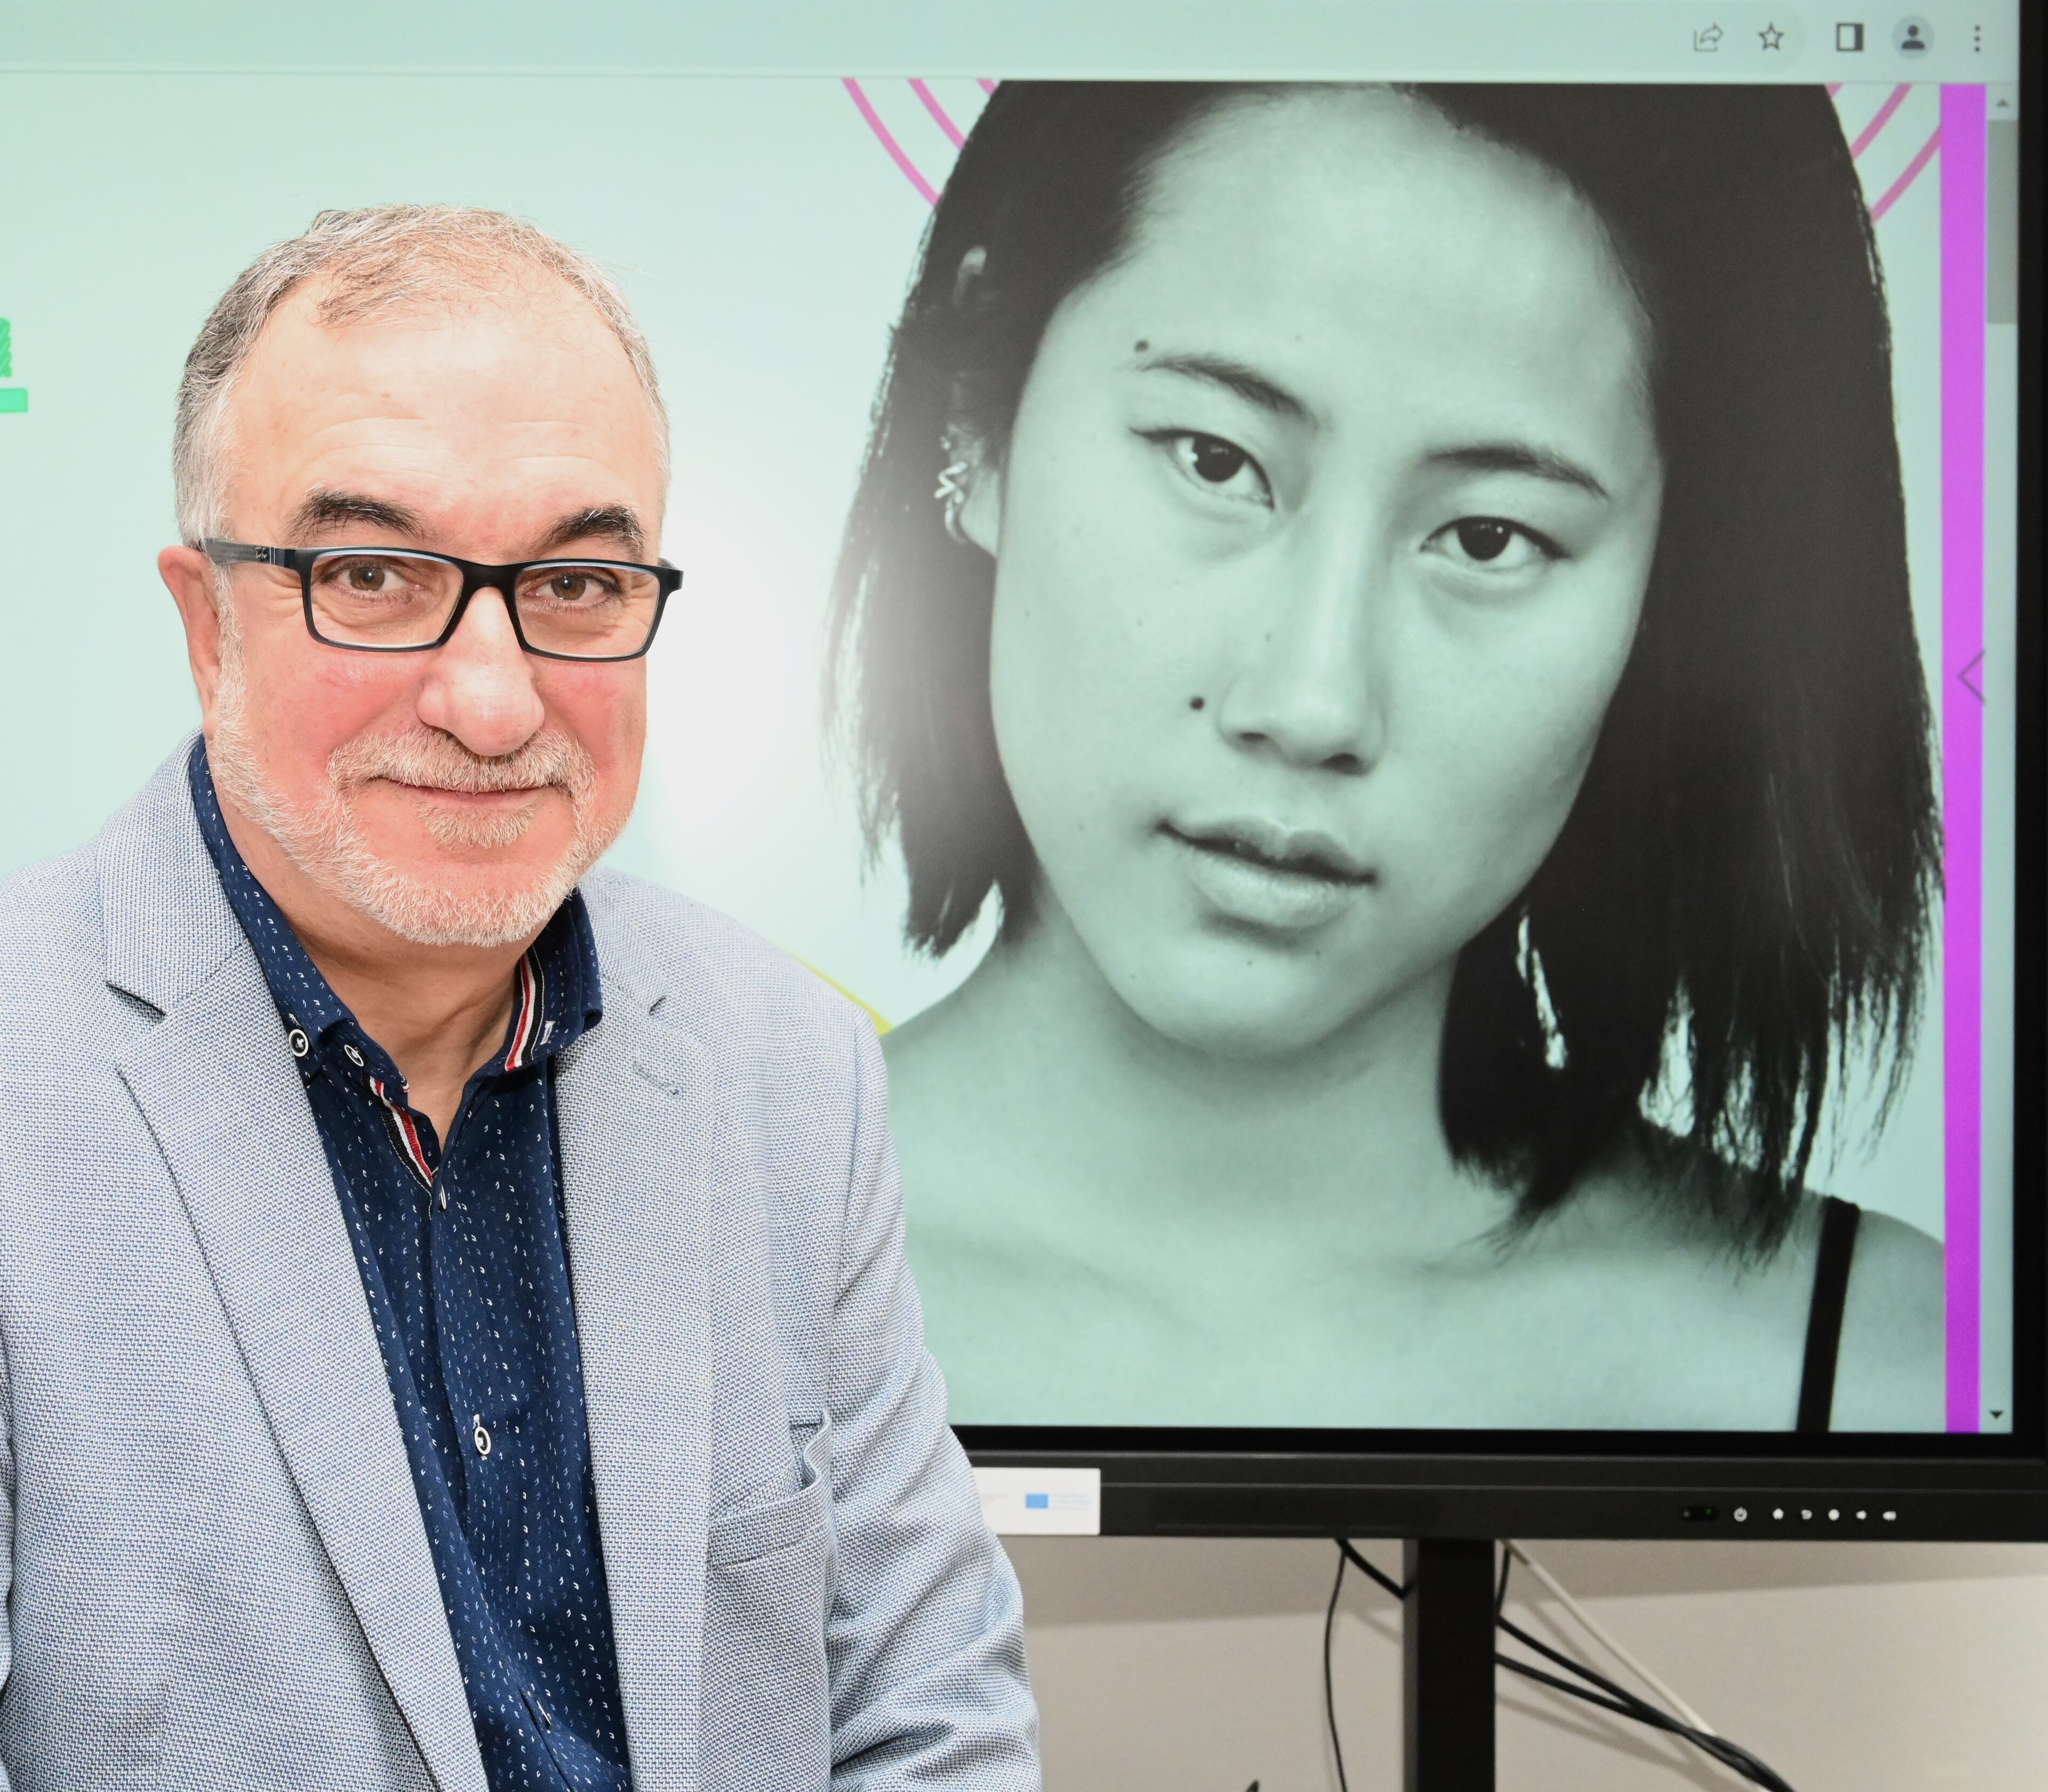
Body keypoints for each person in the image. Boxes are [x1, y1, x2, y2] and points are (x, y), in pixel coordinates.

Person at [0, 205, 1038, 1791]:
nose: (493, 698)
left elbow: (935, 1725)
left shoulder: (788, 1066)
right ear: (205, 622)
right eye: (371, 572)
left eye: (578, 584)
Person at [830, 84, 1944, 1432]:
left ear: (1668, 607)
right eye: (1214, 457)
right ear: (977, 413)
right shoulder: (616, 1288)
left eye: (1488, 538)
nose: (1308, 701)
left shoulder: (1885, 1368)